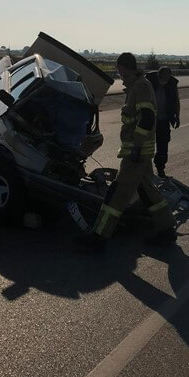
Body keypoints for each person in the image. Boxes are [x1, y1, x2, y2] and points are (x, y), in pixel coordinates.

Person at [75, 52, 177, 252]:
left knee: (117, 194)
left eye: (119, 69)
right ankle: (167, 230)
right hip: (141, 152)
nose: (118, 73)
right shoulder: (138, 85)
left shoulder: (140, 86)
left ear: (124, 68)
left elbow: (146, 117)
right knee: (148, 192)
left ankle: (99, 237)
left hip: (136, 153)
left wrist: (137, 146)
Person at [146, 65, 180, 178]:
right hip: (149, 120)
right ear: (158, 76)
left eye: (166, 79)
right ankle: (144, 170)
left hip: (164, 120)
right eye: (162, 79)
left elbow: (176, 101)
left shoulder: (171, 85)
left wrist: (177, 117)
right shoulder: (148, 83)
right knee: (145, 145)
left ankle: (160, 169)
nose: (164, 82)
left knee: (163, 146)